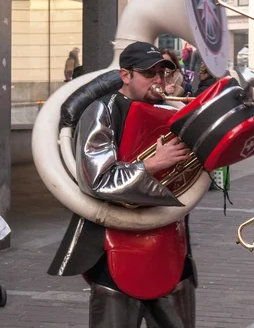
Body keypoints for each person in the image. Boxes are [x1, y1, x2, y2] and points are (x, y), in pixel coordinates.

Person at [48, 41, 196, 328]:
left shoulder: (172, 112)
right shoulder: (101, 110)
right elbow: (98, 179)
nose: (158, 81)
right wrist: (151, 164)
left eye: (162, 74)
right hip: (114, 245)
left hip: (170, 243)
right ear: (125, 75)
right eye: (148, 73)